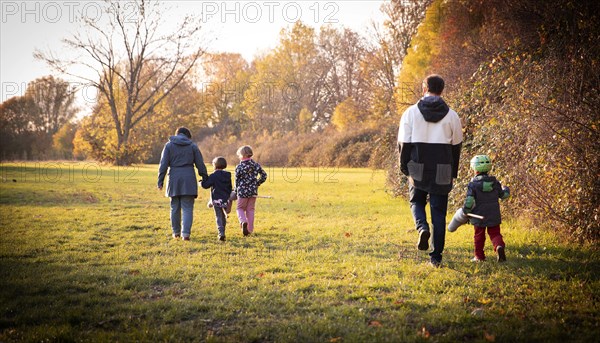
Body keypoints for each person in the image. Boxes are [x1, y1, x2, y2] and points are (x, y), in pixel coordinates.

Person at [398, 74, 463, 267]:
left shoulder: (410, 113)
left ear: (424, 88)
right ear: (442, 90)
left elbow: (404, 143)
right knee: (439, 213)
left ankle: (422, 228)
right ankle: (436, 258)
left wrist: (405, 168)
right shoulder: (452, 115)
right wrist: (452, 172)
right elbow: (456, 146)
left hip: (418, 165)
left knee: (416, 200)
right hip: (442, 168)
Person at [157, 127, 208, 241]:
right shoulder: (192, 146)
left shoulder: (169, 146)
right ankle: (186, 234)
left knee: (174, 207)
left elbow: (163, 164)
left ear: (177, 134)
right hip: (188, 178)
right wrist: (204, 176)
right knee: (187, 207)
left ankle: (176, 233)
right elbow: (200, 163)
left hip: (174, 178)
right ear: (187, 136)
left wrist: (160, 181)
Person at [463, 155, 510, 262]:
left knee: (479, 236)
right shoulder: (495, 183)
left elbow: (469, 200)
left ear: (474, 169)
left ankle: (479, 256)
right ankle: (499, 246)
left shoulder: (473, 184)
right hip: (493, 214)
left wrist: (466, 210)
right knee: (495, 233)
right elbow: (503, 196)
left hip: (479, 215)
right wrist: (506, 189)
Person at [235, 145, 267, 236]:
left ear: (242, 155)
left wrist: (235, 190)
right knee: (250, 209)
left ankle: (243, 221)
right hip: (253, 191)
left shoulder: (239, 167)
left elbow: (236, 180)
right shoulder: (256, 165)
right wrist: (257, 183)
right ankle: (249, 230)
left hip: (242, 191)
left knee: (240, 208)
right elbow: (264, 175)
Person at [201, 156, 233, 241]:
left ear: (214, 165)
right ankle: (223, 231)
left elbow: (206, 185)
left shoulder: (213, 176)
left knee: (218, 216)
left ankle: (221, 233)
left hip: (216, 199)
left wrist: (202, 182)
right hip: (226, 198)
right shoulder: (227, 175)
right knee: (223, 216)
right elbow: (230, 187)